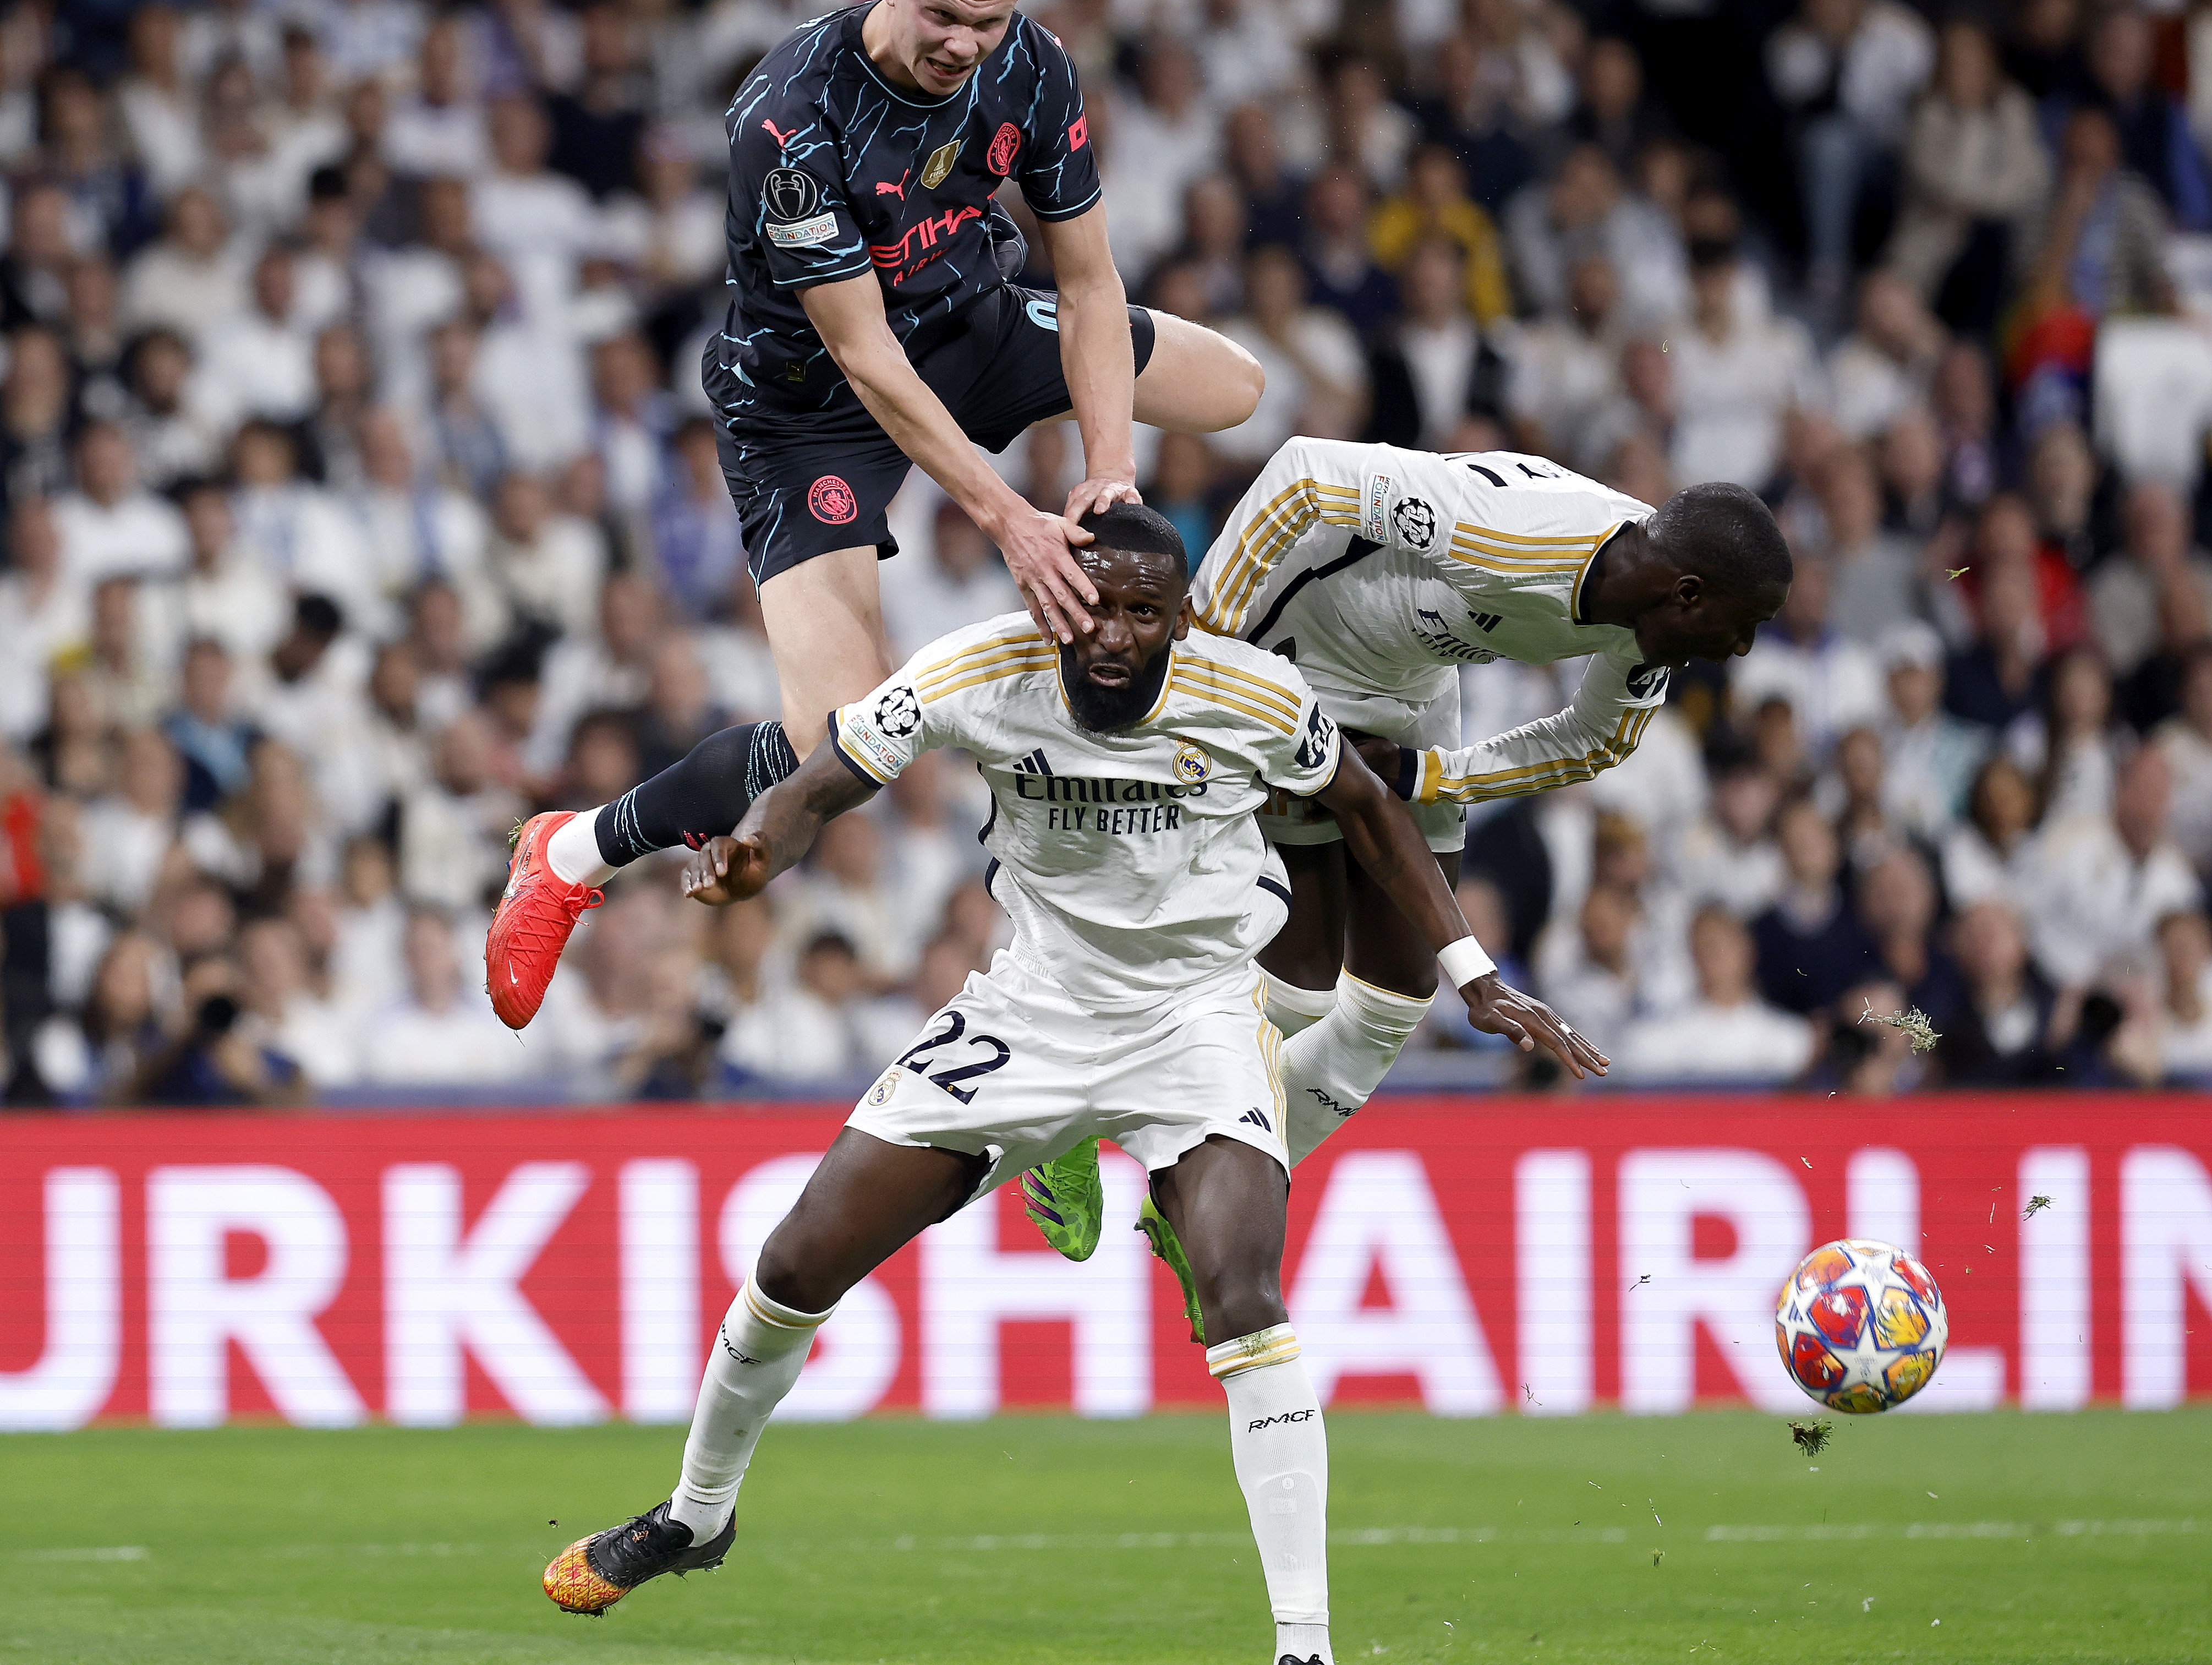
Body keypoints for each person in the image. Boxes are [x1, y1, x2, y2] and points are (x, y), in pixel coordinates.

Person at [538, 506, 1599, 1664]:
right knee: (795, 1263)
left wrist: (1473, 973)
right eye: (1094, 604)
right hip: (1030, 1011)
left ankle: (1306, 1646)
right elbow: (823, 781)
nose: (1115, 632)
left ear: (1179, 618)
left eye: (1146, 610)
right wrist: (753, 845)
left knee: (1243, 1289)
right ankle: (698, 1511)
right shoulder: (980, 668)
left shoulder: (1249, 695)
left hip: (1195, 1014)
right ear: (1056, 600)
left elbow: (1367, 810)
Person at [486, 0, 1262, 1028]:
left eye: (985, 23)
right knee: (838, 751)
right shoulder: (788, 117)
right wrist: (1008, 516)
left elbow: (1091, 279)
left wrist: (1110, 469)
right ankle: (571, 853)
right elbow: (865, 360)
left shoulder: (1035, 67)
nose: (961, 44)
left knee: (1236, 387)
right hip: (809, 407)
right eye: (940, 14)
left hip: (973, 326)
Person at [1023, 440, 1788, 1278]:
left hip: (1414, 689)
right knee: (1302, 987)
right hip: (1298, 644)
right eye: (1742, 625)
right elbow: (1305, 477)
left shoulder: (1647, 634)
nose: (1741, 651)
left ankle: (1186, 1201)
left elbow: (1593, 742)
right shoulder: (1514, 534)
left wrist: (1426, 774)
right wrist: (1209, 665)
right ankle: (1066, 1113)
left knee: (1396, 997)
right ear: (1688, 594)